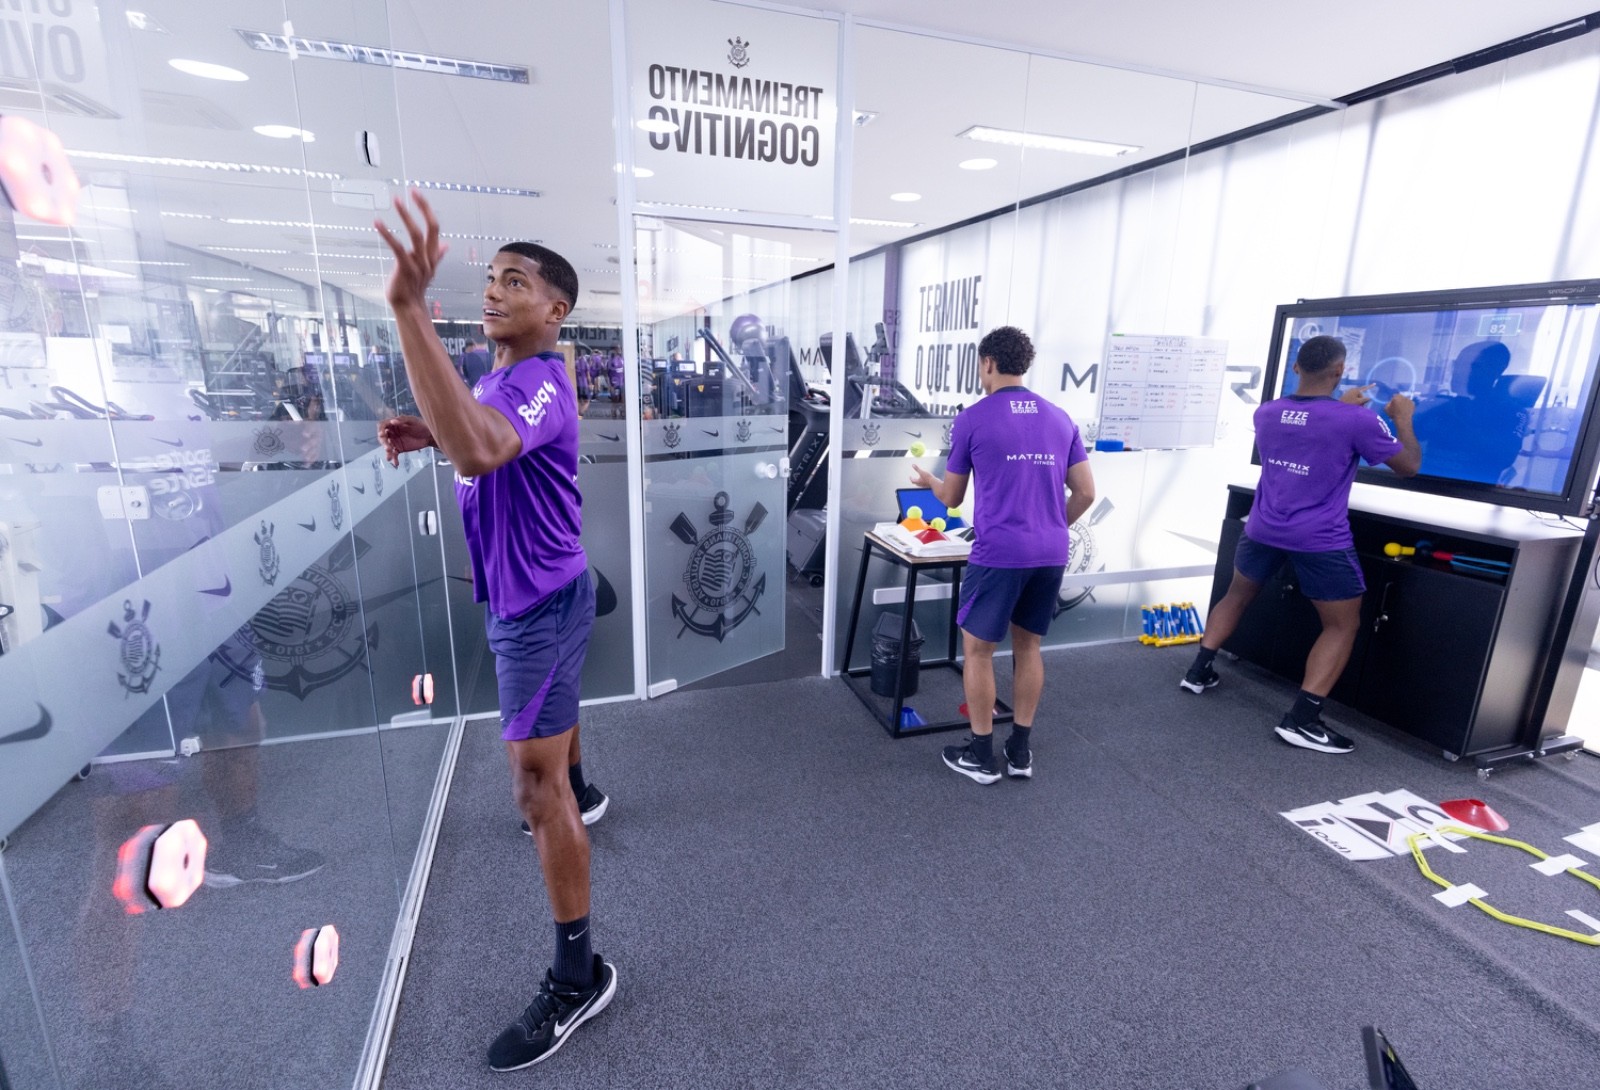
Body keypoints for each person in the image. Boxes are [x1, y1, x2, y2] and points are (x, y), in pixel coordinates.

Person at [374, 191, 616, 1070]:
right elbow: (475, 441)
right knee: (551, 761)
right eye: (490, 280)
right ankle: (580, 787)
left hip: (540, 607)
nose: (494, 293)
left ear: (556, 310)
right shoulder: (498, 380)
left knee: (529, 791)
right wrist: (433, 433)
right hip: (538, 596)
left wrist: (407, 307)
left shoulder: (542, 380)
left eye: (515, 283)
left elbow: (484, 451)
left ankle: (577, 976)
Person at [1181, 334, 1422, 753]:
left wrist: (1340, 406)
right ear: (1340, 371)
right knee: (1343, 624)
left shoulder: (1267, 413)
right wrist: (1402, 418)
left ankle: (1199, 671)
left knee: (1236, 595)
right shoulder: (1357, 422)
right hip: (1318, 538)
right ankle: (1302, 720)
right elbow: (1409, 466)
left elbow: (1312, 428)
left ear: (1296, 367)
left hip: (1262, 527)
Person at [909, 326, 1095, 785]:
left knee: (977, 652)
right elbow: (1086, 493)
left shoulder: (972, 418)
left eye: (979, 364)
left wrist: (928, 484)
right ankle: (1020, 750)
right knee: (1028, 646)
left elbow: (951, 498)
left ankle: (979, 754)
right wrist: (1051, 527)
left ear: (988, 362)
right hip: (1051, 552)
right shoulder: (1059, 417)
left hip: (1000, 553)